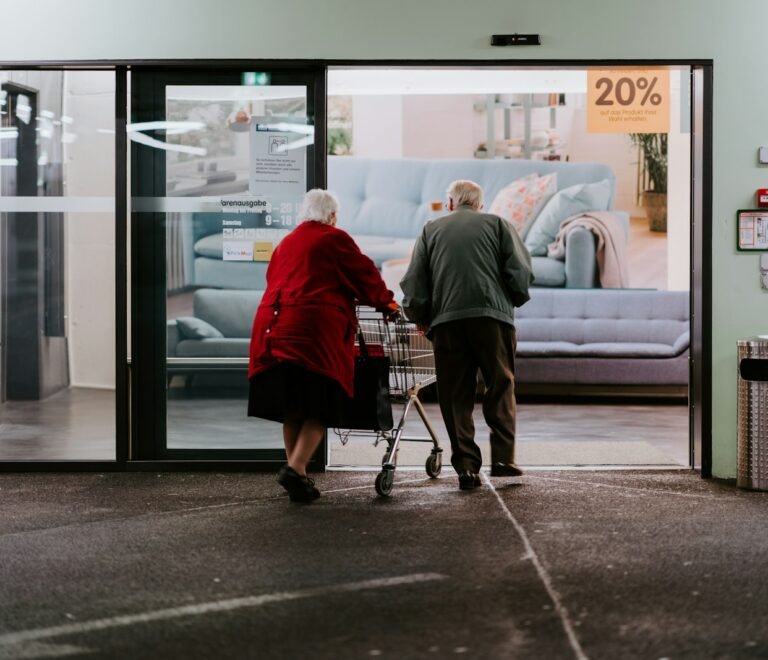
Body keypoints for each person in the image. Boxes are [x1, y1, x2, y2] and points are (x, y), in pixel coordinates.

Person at [248, 189, 399, 502]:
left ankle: (298, 476)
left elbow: (277, 279)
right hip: (311, 331)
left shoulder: (287, 242)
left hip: (273, 328)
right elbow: (365, 275)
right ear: (332, 216)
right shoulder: (334, 239)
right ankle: (295, 469)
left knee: (292, 408)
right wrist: (388, 305)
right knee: (321, 406)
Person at [400, 179, 533, 491]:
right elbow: (521, 272)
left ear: (450, 203)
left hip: (448, 323)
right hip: (492, 320)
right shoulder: (499, 225)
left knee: (455, 395)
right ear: (479, 205)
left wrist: (419, 317)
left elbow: (414, 281)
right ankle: (502, 460)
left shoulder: (430, 230)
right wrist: (510, 299)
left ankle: (467, 468)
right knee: (500, 385)